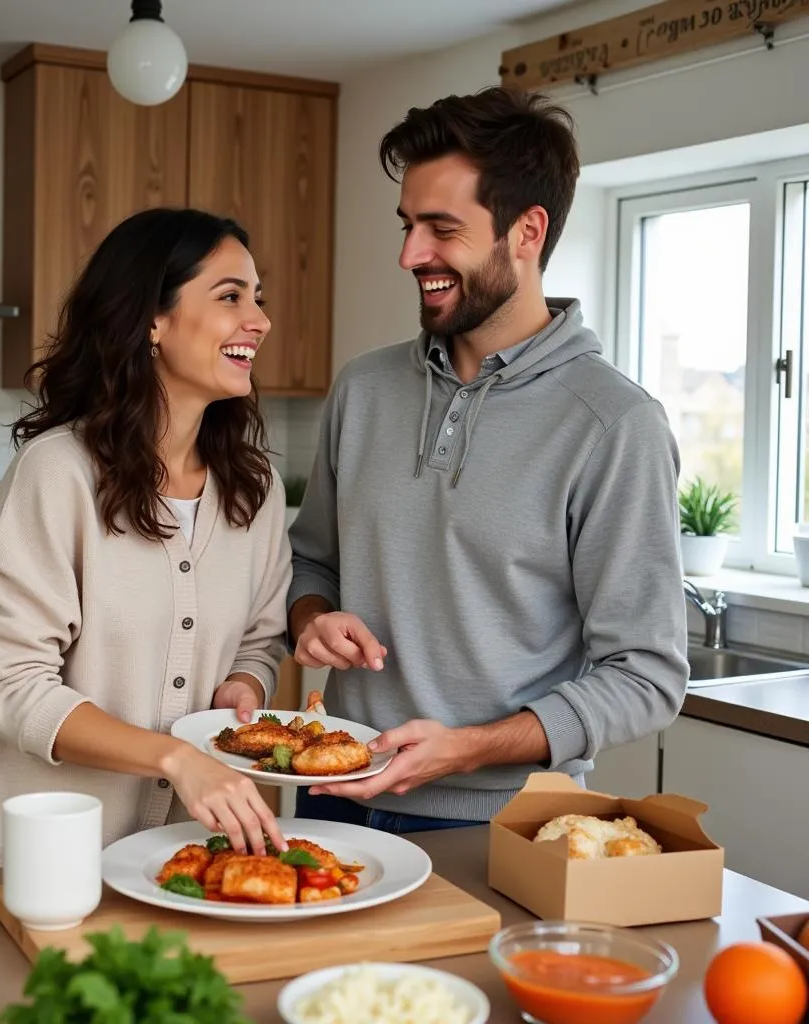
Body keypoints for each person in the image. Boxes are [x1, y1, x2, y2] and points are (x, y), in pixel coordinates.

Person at [287, 87, 689, 833]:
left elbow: (647, 676)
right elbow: (310, 563)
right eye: (408, 226)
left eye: (441, 229)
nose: (411, 255)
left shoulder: (614, 425)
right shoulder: (364, 389)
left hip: (503, 826)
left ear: (527, 231)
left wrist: (468, 749)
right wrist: (310, 618)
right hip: (333, 795)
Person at [0, 207, 292, 870]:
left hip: (181, 859)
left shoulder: (258, 491)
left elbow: (259, 640)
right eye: (230, 297)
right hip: (43, 860)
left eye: (258, 298)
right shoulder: (59, 473)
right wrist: (176, 757)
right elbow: (13, 681)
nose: (260, 319)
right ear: (151, 321)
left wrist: (246, 685)